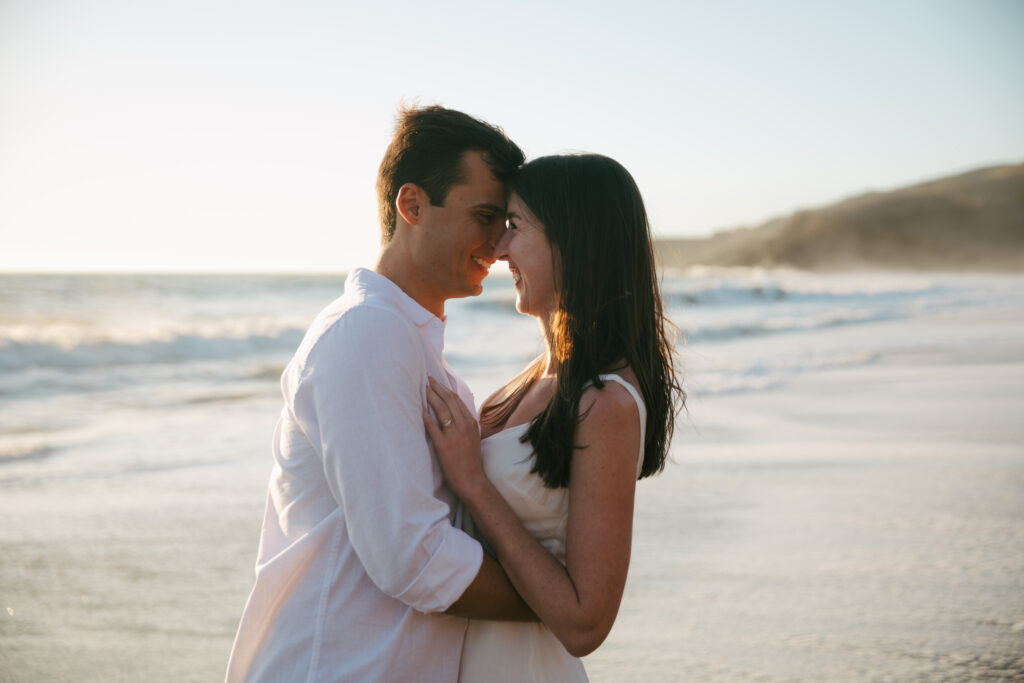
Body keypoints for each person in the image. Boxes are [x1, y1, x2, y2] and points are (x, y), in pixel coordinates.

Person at [225, 105, 532, 682]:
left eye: (507, 224)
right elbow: (414, 557)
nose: (498, 245)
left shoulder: (414, 347)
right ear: (412, 205)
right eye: (485, 216)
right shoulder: (366, 333)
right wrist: (556, 603)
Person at [423, 154, 684, 682]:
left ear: (574, 241)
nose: (497, 250)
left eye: (514, 227)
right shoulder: (534, 380)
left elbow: (587, 623)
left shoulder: (607, 404)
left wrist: (474, 483)